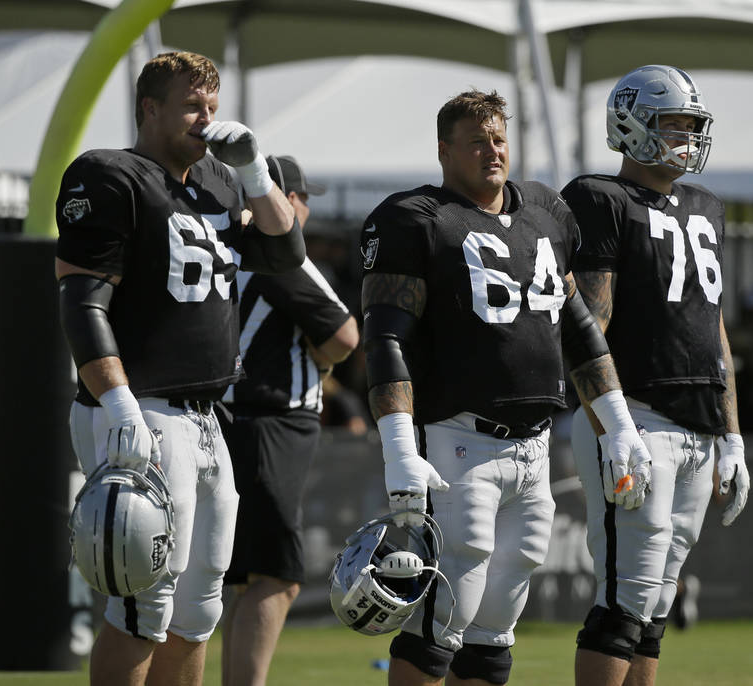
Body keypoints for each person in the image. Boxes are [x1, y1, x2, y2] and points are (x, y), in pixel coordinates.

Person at [360, 90, 652, 686]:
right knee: (444, 614)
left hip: (534, 446)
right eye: (475, 141)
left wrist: (618, 423)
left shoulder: (545, 210)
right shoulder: (414, 218)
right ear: (444, 151)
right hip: (457, 441)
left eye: (498, 138)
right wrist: (398, 449)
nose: (492, 151)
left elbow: (578, 327)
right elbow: (386, 339)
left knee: (496, 624)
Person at [55, 51, 304, 686]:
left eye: (212, 106)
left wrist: (253, 172)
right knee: (144, 603)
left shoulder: (220, 182)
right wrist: (117, 404)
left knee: (198, 609)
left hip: (205, 412)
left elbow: (284, 252)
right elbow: (82, 302)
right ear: (150, 108)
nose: (206, 118)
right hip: (141, 406)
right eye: (192, 105)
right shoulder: (110, 175)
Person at [561, 65, 751, 686]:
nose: (686, 138)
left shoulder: (707, 206)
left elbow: (712, 327)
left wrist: (733, 435)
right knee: (624, 598)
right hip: (635, 414)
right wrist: (610, 427)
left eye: (693, 125)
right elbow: (588, 325)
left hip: (697, 424)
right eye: (673, 123)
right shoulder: (598, 198)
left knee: (654, 606)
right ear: (630, 123)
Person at [219, 156, 359, 686]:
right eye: (301, 198)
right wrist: (322, 362)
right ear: (283, 200)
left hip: (228, 420)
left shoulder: (228, 249)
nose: (305, 209)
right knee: (277, 577)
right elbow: (346, 336)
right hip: (270, 423)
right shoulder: (282, 257)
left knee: (241, 579)